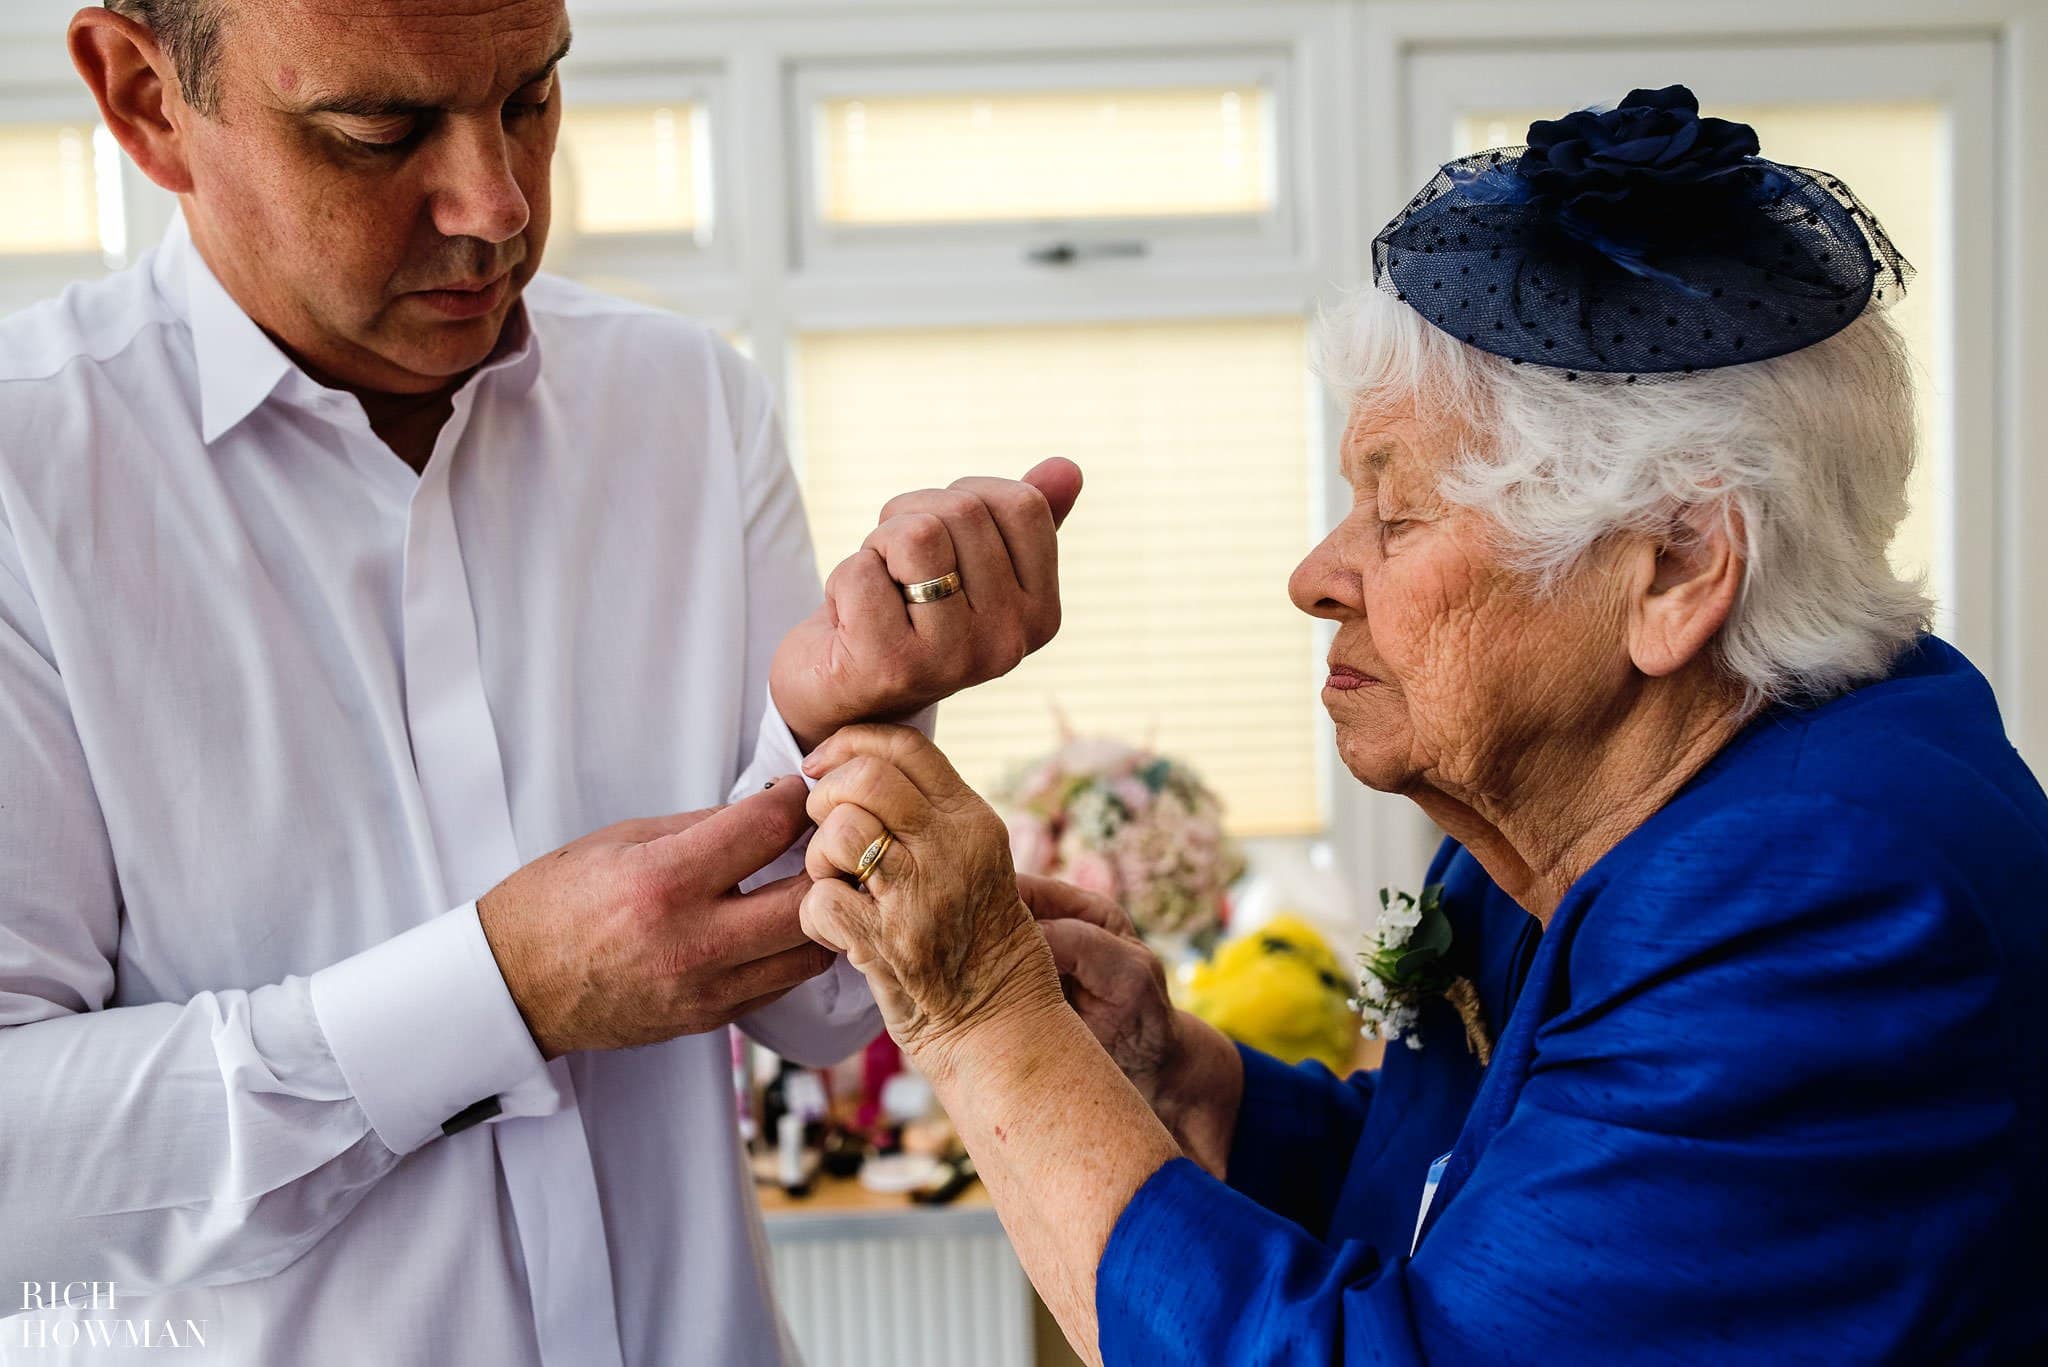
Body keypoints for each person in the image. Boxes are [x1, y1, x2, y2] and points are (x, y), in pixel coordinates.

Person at [796, 87, 2048, 1363]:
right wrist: (1184, 1078)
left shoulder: (1821, 885)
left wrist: (980, 1015)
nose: (1316, 575)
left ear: (1674, 566)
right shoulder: (1571, 801)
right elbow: (1488, 1202)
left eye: (1395, 515)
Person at [0, 1, 1078, 1363]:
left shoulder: (691, 405)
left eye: (532, 95)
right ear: (146, 98)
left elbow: (817, 1008)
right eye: (377, 130)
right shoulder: (21, 482)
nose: (497, 205)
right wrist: (500, 990)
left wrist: (852, 712)